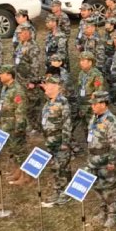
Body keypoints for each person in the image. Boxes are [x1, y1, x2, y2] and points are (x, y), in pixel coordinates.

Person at [86, 91, 116, 227]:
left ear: (103, 104)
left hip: (106, 160)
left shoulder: (111, 121)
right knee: (98, 187)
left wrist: (112, 161)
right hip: (94, 159)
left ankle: (113, 214)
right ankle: (103, 210)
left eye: (95, 104)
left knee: (109, 188)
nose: (92, 106)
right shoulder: (95, 118)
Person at [39, 75, 73, 203]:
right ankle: (57, 189)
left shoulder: (62, 102)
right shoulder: (49, 102)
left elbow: (67, 123)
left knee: (63, 167)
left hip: (60, 141)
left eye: (47, 85)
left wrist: (65, 142)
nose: (45, 87)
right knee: (54, 167)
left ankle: (66, 192)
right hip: (50, 141)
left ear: (56, 86)